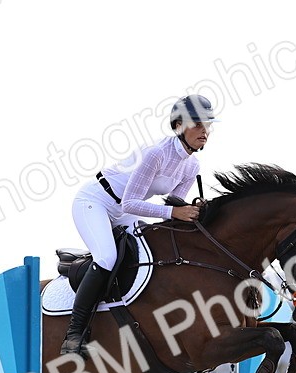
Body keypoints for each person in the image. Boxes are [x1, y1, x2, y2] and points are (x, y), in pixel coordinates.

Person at [60, 94, 216, 355]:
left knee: (150, 255)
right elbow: (131, 204)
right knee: (107, 257)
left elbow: (171, 208)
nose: (205, 131)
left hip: (124, 210)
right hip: (96, 202)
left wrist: (195, 212)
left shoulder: (192, 166)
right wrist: (176, 211)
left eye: (208, 125)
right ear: (179, 125)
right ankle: (74, 335)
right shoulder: (156, 153)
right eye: (198, 124)